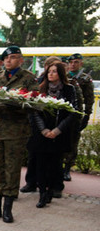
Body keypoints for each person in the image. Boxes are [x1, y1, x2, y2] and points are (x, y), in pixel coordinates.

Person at [0, 45, 38, 223]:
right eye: (6, 58)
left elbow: (35, 102)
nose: (9, 61)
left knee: (12, 169)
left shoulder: (28, 79)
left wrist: (16, 104)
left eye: (13, 58)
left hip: (16, 131)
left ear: (21, 60)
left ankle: (8, 207)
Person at [28, 62, 79, 208]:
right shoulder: (41, 88)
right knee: (41, 164)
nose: (50, 74)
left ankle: (51, 190)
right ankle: (42, 193)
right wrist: (43, 130)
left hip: (59, 133)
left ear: (61, 73)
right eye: (49, 71)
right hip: (41, 133)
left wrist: (57, 130)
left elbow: (72, 112)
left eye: (54, 71)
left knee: (55, 164)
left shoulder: (69, 89)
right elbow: (34, 110)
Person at [65, 53, 95, 181]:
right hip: (62, 113)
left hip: (76, 114)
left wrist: (86, 116)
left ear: (81, 64)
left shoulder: (85, 79)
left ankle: (67, 169)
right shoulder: (63, 76)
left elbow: (89, 99)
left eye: (76, 62)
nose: (73, 64)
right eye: (71, 62)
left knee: (73, 142)